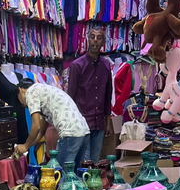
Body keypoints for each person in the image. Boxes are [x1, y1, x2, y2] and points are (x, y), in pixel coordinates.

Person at [15, 79, 89, 170]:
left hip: (70, 133)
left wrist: (25, 146)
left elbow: (36, 126)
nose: (24, 105)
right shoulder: (42, 91)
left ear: (20, 90)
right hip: (83, 131)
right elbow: (41, 132)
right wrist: (27, 146)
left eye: (21, 103)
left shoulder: (30, 92)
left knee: (61, 174)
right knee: (76, 174)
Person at [66, 27, 113, 164]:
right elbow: (71, 96)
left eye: (99, 38)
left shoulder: (105, 65)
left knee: (95, 160)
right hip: (82, 121)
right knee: (84, 162)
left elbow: (107, 94)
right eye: (92, 37)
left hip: (99, 122)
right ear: (88, 39)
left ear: (103, 42)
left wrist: (108, 121)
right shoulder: (77, 66)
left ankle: (93, 185)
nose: (95, 41)